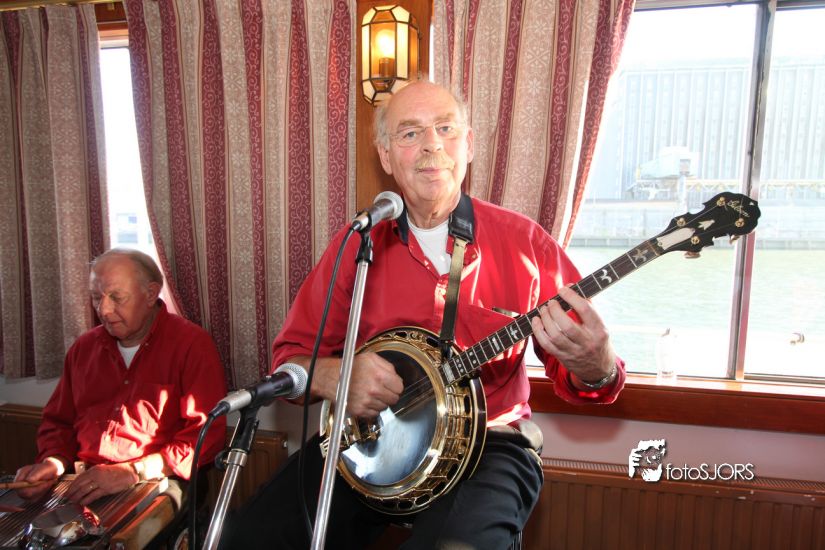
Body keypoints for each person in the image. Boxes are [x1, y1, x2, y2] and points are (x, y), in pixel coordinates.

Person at [221, 80, 625, 549]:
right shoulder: (357, 245)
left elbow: (591, 377)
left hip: (490, 443)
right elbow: (289, 362)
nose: (432, 144)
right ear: (386, 156)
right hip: (372, 437)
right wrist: (338, 377)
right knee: (249, 538)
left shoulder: (526, 244)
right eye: (411, 133)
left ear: (468, 144)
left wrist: (596, 366)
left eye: (445, 128)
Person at [14, 248, 227, 507]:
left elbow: (206, 438)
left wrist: (133, 471)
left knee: (125, 529)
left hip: (159, 476)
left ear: (151, 294)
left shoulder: (191, 345)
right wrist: (54, 462)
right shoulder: (84, 348)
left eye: (117, 297)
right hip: (86, 474)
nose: (104, 309)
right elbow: (59, 422)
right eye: (96, 297)